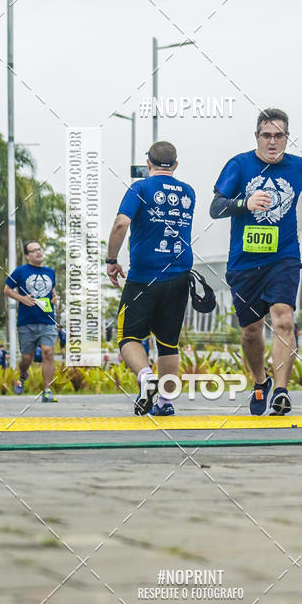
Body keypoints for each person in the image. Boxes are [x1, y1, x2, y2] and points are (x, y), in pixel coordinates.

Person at [210, 108, 302, 416]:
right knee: (251, 330)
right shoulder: (239, 164)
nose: (272, 142)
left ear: (287, 137)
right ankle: (261, 383)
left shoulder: (299, 167)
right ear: (257, 137)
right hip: (244, 262)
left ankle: (282, 391)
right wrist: (243, 203)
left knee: (283, 319)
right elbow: (215, 207)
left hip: (283, 257)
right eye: (266, 136)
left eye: (279, 136)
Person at [106, 141, 195, 416]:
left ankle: (146, 376)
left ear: (148, 164)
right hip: (179, 276)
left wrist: (111, 260)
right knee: (168, 342)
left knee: (128, 336)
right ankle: (165, 403)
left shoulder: (140, 188)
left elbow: (122, 223)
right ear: (176, 165)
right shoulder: (189, 192)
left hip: (144, 277)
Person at [4, 240, 59, 402]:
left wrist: (55, 298)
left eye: (39, 249)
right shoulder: (20, 271)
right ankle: (22, 375)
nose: (38, 252)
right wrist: (22, 298)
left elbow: (52, 291)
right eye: (34, 251)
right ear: (27, 256)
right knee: (27, 358)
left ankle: (47, 391)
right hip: (26, 322)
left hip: (47, 320)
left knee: (48, 352)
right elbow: (7, 290)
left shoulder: (50, 271)